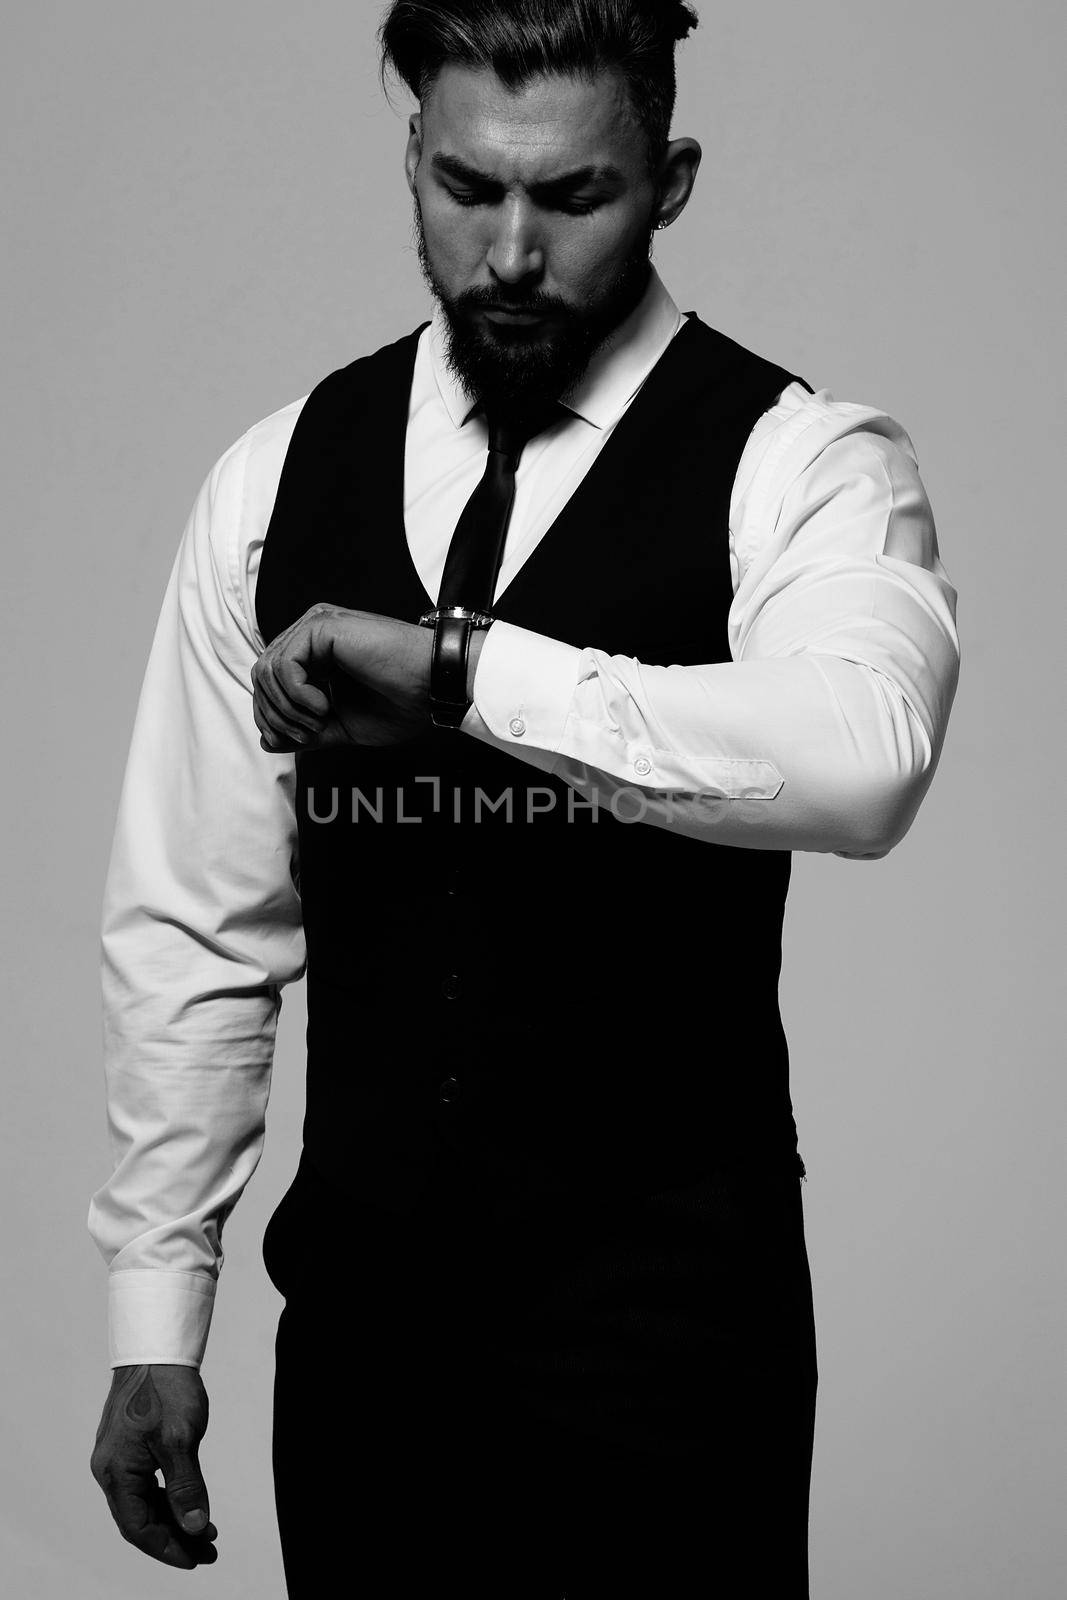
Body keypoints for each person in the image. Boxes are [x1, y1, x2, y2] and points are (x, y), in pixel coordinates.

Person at [87, 2, 960, 1595]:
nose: (507, 252)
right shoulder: (276, 479)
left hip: (670, 1341)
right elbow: (198, 922)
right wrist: (160, 1306)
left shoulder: (800, 461)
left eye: (573, 199)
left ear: (671, 179)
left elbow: (865, 752)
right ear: (411, 153)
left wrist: (461, 671)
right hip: (362, 1340)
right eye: (464, 187)